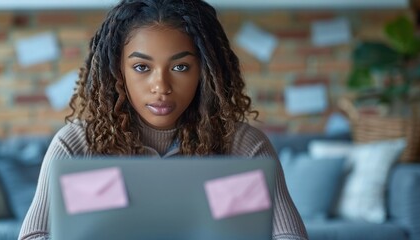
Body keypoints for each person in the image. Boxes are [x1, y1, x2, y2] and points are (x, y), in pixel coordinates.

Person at [19, 0, 308, 239]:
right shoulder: (76, 145)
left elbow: (289, 236)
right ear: (118, 71)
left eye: (181, 66)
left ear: (205, 72)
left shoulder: (243, 146)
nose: (161, 86)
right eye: (142, 67)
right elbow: (33, 236)